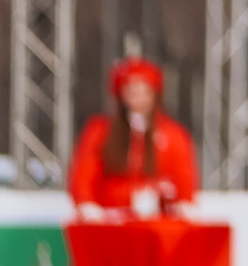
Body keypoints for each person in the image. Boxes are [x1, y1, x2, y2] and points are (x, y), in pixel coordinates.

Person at [68, 56, 199, 220]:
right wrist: (86, 204)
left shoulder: (173, 135)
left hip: (157, 223)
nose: (137, 96)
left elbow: (183, 176)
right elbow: (85, 172)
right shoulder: (101, 132)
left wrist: (183, 202)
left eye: (144, 89)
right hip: (109, 220)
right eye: (131, 89)